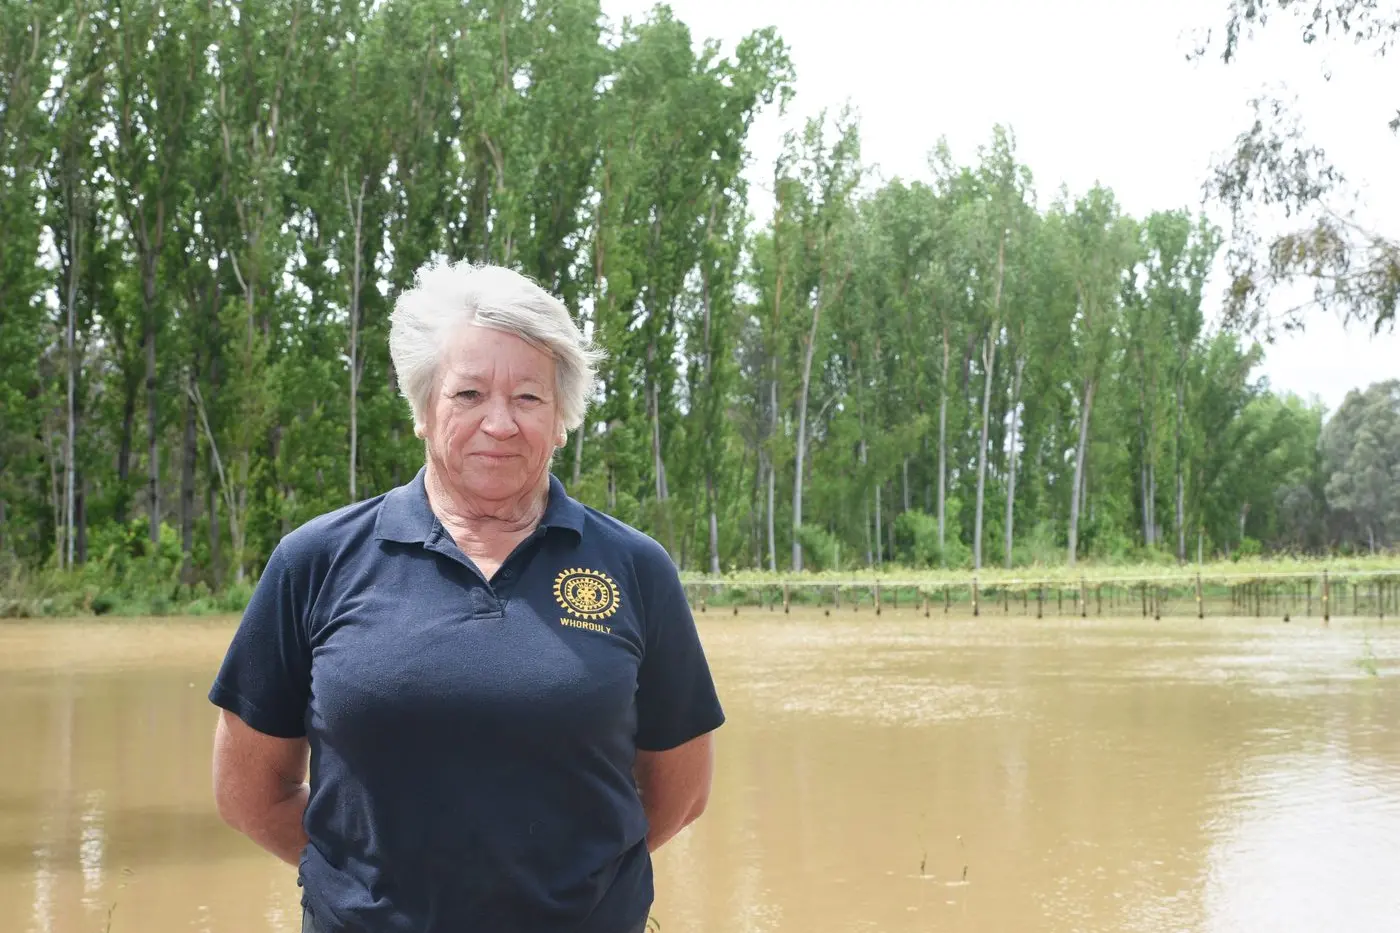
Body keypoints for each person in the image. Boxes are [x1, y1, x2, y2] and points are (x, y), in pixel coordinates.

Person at [208, 261, 723, 933]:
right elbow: (247, 792)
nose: (500, 423)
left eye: (529, 398)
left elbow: (680, 794)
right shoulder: (315, 561)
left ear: (562, 418)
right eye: (469, 393)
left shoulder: (636, 568)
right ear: (424, 409)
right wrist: (360, 889)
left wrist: (581, 889)